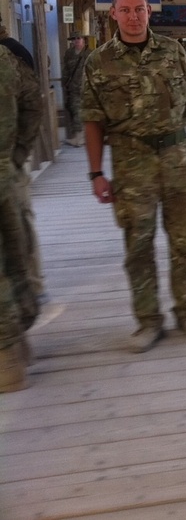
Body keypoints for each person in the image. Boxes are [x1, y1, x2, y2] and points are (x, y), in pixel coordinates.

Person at [81, 0, 186, 354]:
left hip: (178, 158)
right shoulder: (99, 62)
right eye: (125, 10)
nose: (133, 17)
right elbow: (92, 120)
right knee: (138, 247)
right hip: (131, 164)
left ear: (149, 11)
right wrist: (96, 173)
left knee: (185, 244)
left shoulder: (173, 51)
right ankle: (148, 320)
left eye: (139, 9)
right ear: (113, 14)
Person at [0, 44, 42, 392]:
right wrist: (16, 156)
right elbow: (33, 101)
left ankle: (7, 357)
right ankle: (19, 342)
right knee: (17, 257)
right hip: (7, 174)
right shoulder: (7, 59)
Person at [0, 26, 46, 304]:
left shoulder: (13, 52)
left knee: (21, 220)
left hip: (9, 162)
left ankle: (33, 284)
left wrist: (19, 152)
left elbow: (33, 102)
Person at [62, 33, 89, 146]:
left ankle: (85, 137)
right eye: (74, 39)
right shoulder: (69, 53)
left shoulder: (89, 53)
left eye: (78, 38)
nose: (76, 41)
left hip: (87, 88)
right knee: (75, 110)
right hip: (73, 88)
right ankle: (79, 137)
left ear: (83, 40)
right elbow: (66, 69)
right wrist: (64, 83)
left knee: (87, 112)